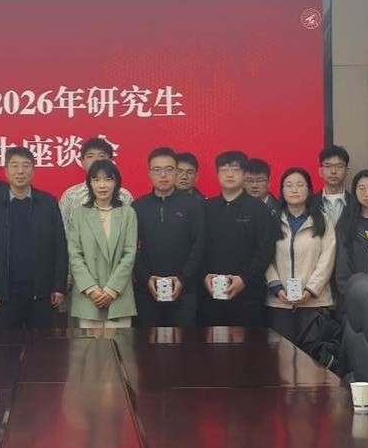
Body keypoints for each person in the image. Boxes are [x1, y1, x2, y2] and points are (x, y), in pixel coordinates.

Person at [0, 147, 68, 330]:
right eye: (15, 166)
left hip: (41, 292)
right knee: (6, 345)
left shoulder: (48, 202)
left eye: (26, 166)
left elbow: (60, 246)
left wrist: (59, 286)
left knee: (42, 344)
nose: (20, 171)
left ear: (33, 171)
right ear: (6, 171)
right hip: (4, 294)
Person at [200, 151, 275, 327]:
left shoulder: (258, 208)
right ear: (217, 174)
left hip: (248, 294)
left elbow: (265, 250)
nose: (229, 174)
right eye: (224, 170)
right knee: (210, 342)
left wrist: (244, 279)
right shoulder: (206, 207)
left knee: (247, 343)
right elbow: (197, 246)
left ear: (244, 174)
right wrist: (204, 276)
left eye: (235, 169)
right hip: (210, 292)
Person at [133, 147, 204, 327]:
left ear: (176, 172)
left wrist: (183, 278)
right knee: (148, 341)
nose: (163, 175)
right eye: (157, 170)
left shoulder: (193, 205)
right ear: (149, 173)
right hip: (147, 289)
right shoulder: (138, 207)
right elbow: (130, 248)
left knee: (183, 342)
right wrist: (146, 278)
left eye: (169, 169)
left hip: (185, 289)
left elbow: (199, 245)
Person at [265, 167, 336, 347]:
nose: (294, 190)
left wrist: (311, 290)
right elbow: (265, 257)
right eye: (288, 185)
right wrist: (277, 287)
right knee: (281, 356)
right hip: (279, 302)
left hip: (314, 302)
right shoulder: (272, 220)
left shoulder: (322, 219)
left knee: (312, 356)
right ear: (282, 190)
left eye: (299, 185)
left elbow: (327, 258)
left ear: (309, 189)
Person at [68, 160, 139, 329]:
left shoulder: (128, 213)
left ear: (116, 183)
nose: (102, 185)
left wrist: (111, 290)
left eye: (108, 179)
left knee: (120, 344)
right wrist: (91, 289)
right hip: (88, 297)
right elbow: (75, 255)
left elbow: (129, 254)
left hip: (119, 296)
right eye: (96, 179)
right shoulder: (80, 214)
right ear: (90, 184)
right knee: (88, 345)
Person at [58, 137, 133, 228]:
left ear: (110, 161)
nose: (96, 160)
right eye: (90, 156)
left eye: (101, 156)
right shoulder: (71, 195)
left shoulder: (124, 196)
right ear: (82, 162)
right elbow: (63, 229)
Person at [315, 145, 352, 225]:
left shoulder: (356, 203)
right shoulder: (311, 203)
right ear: (320, 171)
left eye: (339, 166)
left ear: (347, 171)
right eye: (328, 166)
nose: (333, 171)